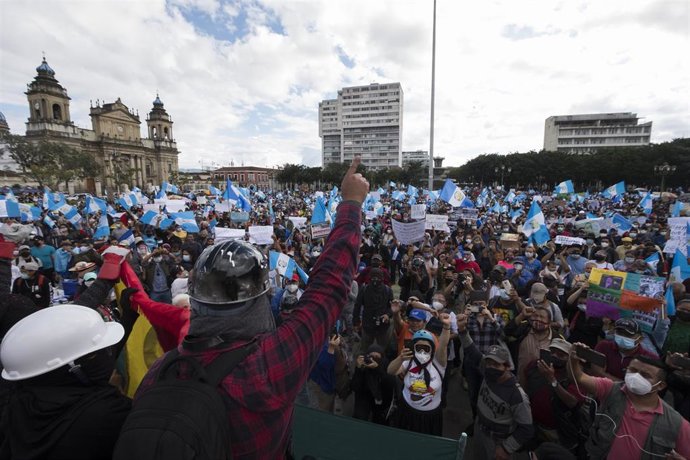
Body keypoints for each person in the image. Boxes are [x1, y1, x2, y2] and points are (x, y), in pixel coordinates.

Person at [119, 157, 367, 459]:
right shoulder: (269, 365)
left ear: (196, 299)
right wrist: (351, 205)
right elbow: (329, 285)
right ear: (260, 299)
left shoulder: (160, 372)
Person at [0, 304, 131, 459]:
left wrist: (128, 319)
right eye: (94, 355)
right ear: (72, 368)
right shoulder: (109, 414)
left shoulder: (17, 407)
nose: (107, 356)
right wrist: (116, 393)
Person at [568, 343, 690, 459]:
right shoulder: (611, 389)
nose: (636, 377)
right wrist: (573, 358)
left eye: (645, 375)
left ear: (660, 386)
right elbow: (578, 377)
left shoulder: (677, 424)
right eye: (632, 370)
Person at [457, 313, 534, 460]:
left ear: (507, 366)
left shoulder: (517, 395)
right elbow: (472, 351)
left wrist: (506, 447)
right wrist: (462, 331)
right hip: (480, 430)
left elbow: (526, 429)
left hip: (498, 440)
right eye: (489, 362)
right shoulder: (487, 371)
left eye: (496, 364)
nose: (491, 367)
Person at [387, 316, 451, 436]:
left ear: (432, 349)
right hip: (407, 412)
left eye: (426, 348)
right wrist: (400, 358)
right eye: (419, 348)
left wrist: (447, 327)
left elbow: (443, 346)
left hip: (430, 417)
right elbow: (390, 371)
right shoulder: (409, 362)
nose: (422, 353)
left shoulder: (438, 365)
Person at [592, 318, 659, 380]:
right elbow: (597, 372)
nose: (623, 337)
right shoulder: (604, 346)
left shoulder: (650, 358)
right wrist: (624, 385)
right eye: (620, 333)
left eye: (628, 335)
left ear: (640, 339)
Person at [351, 344, 396, 425]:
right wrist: (358, 369)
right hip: (365, 396)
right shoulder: (363, 366)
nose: (374, 358)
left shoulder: (386, 365)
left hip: (381, 398)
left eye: (377, 356)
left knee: (380, 420)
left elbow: (390, 384)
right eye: (371, 356)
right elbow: (355, 387)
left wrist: (377, 369)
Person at [353, 268, 394, 353]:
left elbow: (392, 307)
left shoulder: (387, 290)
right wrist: (356, 321)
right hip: (367, 323)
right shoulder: (364, 289)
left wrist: (388, 315)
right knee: (365, 348)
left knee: (382, 348)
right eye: (373, 277)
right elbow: (357, 305)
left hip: (383, 324)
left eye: (378, 277)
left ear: (382, 278)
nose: (375, 280)